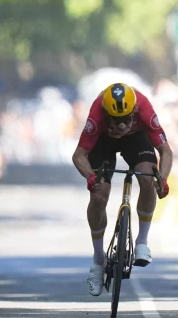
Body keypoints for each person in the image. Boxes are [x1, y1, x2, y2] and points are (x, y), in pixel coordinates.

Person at [72, 83, 172, 296]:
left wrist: (162, 180)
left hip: (136, 140)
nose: (121, 125)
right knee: (98, 197)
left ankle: (142, 242)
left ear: (134, 112)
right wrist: (91, 177)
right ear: (106, 115)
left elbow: (165, 150)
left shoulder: (144, 107)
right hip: (103, 142)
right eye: (115, 121)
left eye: (126, 120)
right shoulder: (97, 114)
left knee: (147, 178)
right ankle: (98, 260)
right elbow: (79, 155)